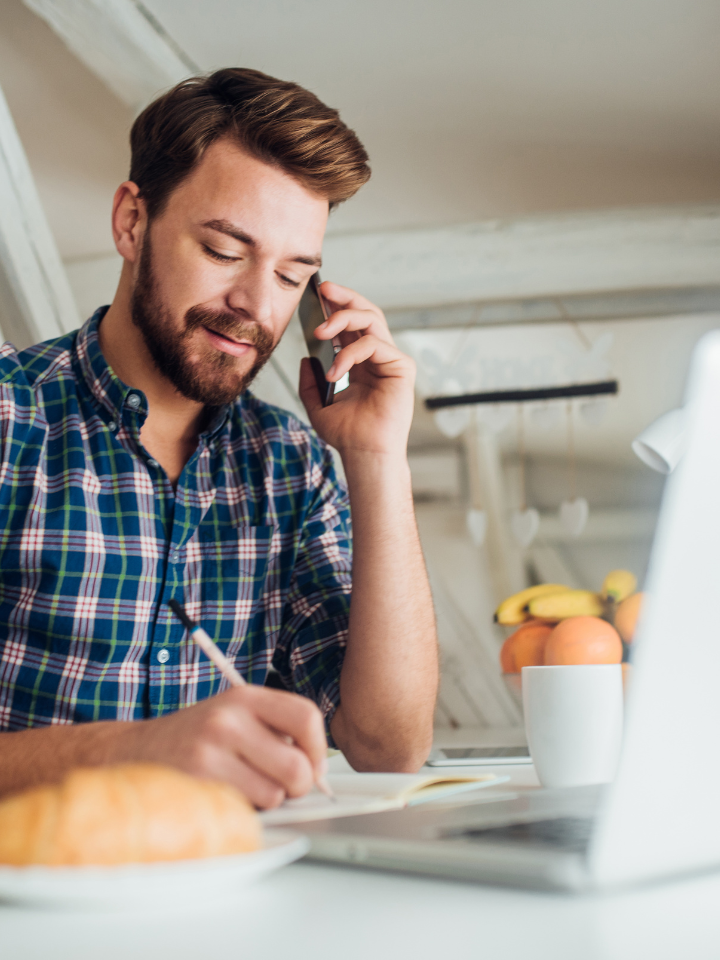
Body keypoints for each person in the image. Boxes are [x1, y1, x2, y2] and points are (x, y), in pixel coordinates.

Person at [0, 68, 437, 808]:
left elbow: (388, 748)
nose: (255, 307)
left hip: (223, 901)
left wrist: (375, 456)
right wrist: (138, 753)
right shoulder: (13, 423)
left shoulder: (290, 467)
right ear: (133, 223)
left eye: (292, 276)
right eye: (225, 251)